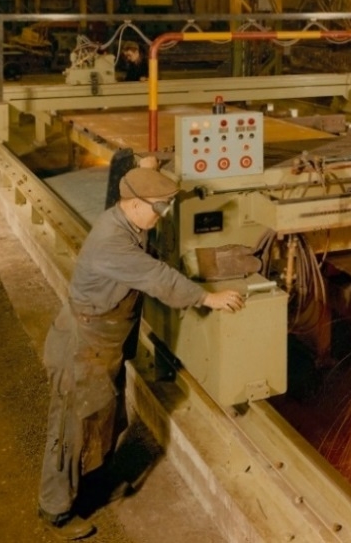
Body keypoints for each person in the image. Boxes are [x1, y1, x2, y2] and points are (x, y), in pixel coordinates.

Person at [37, 164, 244, 540]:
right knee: (71, 428)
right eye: (159, 207)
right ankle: (57, 511)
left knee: (104, 416)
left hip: (104, 342)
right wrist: (206, 297)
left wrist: (150, 169)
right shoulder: (111, 242)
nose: (162, 214)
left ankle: (94, 482)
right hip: (84, 345)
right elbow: (157, 277)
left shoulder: (128, 222)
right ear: (132, 205)